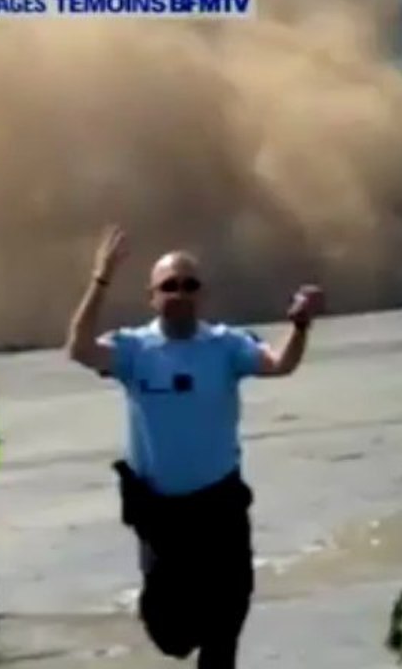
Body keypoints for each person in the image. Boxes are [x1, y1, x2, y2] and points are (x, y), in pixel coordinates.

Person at [65, 226, 324, 669]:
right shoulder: (133, 349)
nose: (180, 294)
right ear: (152, 296)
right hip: (161, 514)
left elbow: (280, 364)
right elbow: (79, 350)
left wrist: (300, 325)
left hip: (219, 507)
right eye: (169, 286)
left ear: (203, 295)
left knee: (225, 624)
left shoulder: (225, 344)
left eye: (190, 285)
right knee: (172, 635)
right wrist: (100, 280)